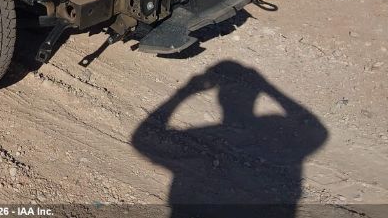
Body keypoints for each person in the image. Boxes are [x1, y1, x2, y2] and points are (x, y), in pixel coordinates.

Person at [132, 60, 328, 218]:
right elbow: (318, 132)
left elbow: (141, 139)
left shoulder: (203, 134)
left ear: (219, 101)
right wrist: (268, 87)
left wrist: (184, 92)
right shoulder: (269, 128)